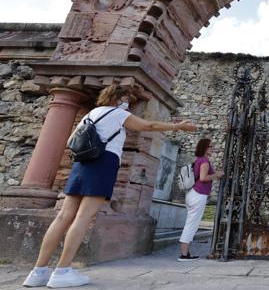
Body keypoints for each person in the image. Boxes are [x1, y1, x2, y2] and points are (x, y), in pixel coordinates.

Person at [23, 84, 197, 288]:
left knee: (63, 216)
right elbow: (148, 126)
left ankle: (38, 272)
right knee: (83, 217)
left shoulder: (91, 114)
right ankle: (62, 270)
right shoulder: (116, 113)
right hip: (103, 162)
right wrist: (178, 126)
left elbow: (72, 140)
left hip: (81, 165)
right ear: (117, 98)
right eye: (126, 99)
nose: (128, 103)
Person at [178, 138, 224, 261]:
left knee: (191, 223)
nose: (212, 148)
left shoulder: (199, 160)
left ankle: (186, 253)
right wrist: (217, 175)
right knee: (191, 224)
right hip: (198, 194)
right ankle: (184, 254)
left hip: (193, 194)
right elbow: (203, 178)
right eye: (211, 146)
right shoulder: (204, 161)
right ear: (205, 147)